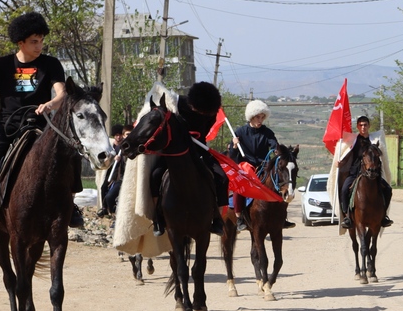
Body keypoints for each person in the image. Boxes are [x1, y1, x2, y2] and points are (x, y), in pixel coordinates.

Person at [0, 12, 66, 233]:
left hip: (40, 125)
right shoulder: (1, 65)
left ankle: (71, 204)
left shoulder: (51, 64)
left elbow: (62, 95)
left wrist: (51, 104)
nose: (39, 46)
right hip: (8, 126)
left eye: (42, 41)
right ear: (20, 42)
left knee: (67, 153)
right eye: (34, 41)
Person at [149, 82, 229, 236]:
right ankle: (157, 216)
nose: (199, 113)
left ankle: (217, 219)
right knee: (155, 175)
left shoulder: (210, 112)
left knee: (222, 178)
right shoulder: (178, 104)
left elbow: (204, 133)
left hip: (199, 149)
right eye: (197, 109)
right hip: (175, 149)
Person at [231, 99, 295, 229]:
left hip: (263, 166)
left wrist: (278, 151)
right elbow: (232, 155)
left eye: (262, 117)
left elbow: (274, 145)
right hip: (246, 166)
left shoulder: (267, 132)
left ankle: (282, 216)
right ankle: (240, 217)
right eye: (257, 117)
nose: (260, 120)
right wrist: (234, 146)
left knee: (278, 182)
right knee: (239, 187)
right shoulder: (240, 132)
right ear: (251, 117)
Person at [338, 116, 393, 230]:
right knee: (344, 190)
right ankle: (347, 217)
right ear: (358, 126)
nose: (363, 127)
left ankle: (383, 216)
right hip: (355, 172)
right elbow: (347, 154)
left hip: (373, 174)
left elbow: (381, 156)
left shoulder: (374, 139)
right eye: (361, 125)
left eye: (365, 125)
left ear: (369, 126)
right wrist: (341, 162)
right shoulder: (353, 140)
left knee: (387, 189)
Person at [98, 124, 131, 217]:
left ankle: (113, 212)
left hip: (120, 174)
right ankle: (104, 208)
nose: (118, 137)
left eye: (120, 135)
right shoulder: (113, 147)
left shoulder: (124, 146)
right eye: (116, 135)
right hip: (112, 170)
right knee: (103, 187)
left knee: (112, 195)